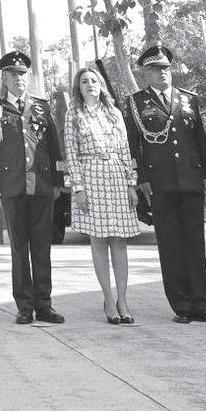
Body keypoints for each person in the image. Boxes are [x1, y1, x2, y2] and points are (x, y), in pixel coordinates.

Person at [125, 46, 206, 325]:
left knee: (195, 243)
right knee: (170, 244)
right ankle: (181, 305)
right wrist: (141, 178)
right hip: (159, 182)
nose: (162, 73)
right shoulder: (136, 102)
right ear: (146, 73)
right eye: (155, 69)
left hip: (190, 180)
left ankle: (200, 304)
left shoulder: (189, 99)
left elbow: (200, 139)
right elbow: (133, 145)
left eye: (165, 68)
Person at [0, 49, 66, 325]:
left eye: (22, 74)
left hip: (41, 186)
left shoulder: (41, 107)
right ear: (4, 78)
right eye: (13, 74)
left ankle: (45, 304)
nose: (19, 79)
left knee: (42, 247)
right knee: (19, 249)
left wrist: (58, 182)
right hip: (11, 186)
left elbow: (55, 147)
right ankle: (24, 306)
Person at [66, 64, 139, 324]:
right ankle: (108, 299)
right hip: (90, 177)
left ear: (101, 86)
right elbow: (71, 153)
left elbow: (125, 149)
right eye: (85, 81)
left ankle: (123, 299)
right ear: (79, 87)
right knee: (98, 240)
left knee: (119, 240)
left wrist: (131, 183)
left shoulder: (114, 113)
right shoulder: (73, 114)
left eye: (94, 81)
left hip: (116, 177)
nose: (90, 85)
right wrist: (78, 188)